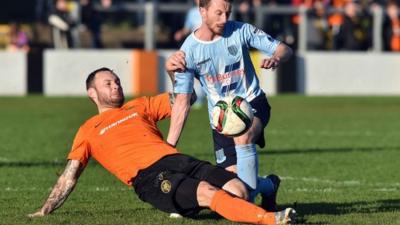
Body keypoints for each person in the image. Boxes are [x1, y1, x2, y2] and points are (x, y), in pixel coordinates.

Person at [27, 68, 296, 225]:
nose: (116, 86)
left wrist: (174, 75)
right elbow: (69, 175)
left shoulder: (139, 106)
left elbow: (185, 98)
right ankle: (271, 219)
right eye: (108, 83)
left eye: (117, 81)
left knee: (240, 190)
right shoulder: (87, 130)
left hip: (177, 160)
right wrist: (46, 209)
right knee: (207, 192)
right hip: (149, 176)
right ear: (92, 93)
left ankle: (266, 188)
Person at [165, 0, 293, 210]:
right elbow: (182, 101)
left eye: (228, 13)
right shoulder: (188, 51)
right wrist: (169, 147)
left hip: (252, 103)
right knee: (235, 189)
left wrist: (276, 58)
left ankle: (253, 211)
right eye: (218, 14)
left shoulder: (241, 31)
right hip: (221, 121)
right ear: (202, 12)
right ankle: (269, 185)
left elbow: (283, 48)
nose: (225, 19)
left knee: (244, 138)